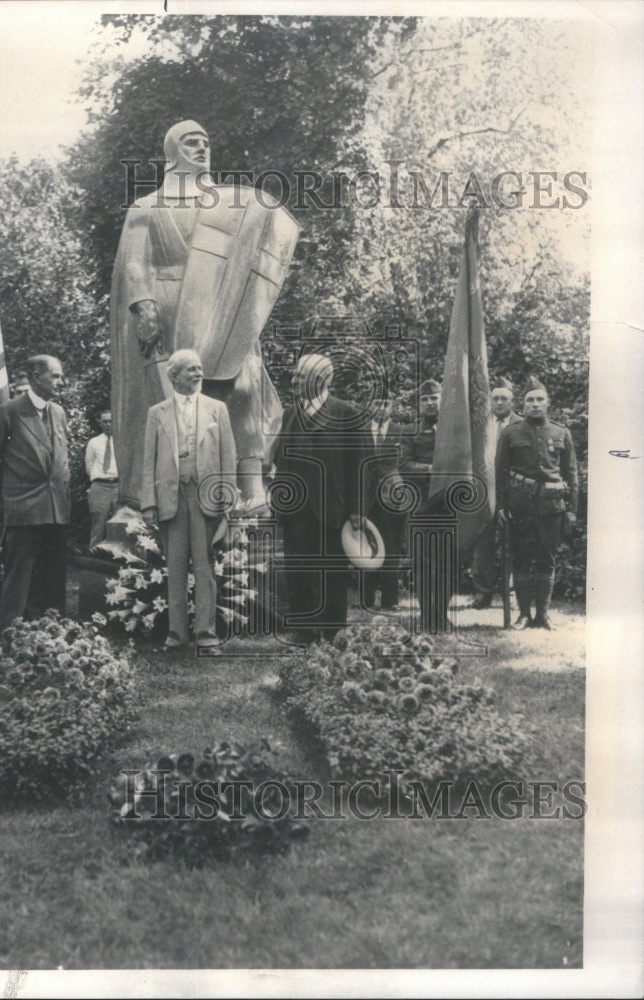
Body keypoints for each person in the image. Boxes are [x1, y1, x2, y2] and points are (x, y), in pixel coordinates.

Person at [110, 119, 297, 511]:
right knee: (174, 402)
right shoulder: (146, 207)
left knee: (243, 390)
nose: (201, 149)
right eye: (191, 143)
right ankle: (169, 491)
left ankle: (251, 487)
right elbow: (132, 264)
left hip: (223, 305)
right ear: (172, 152)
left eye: (205, 143)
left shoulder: (233, 204)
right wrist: (144, 305)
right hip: (170, 306)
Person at [141, 349, 237, 650]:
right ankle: (176, 634)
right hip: (172, 498)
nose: (198, 374)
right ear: (174, 376)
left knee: (205, 568)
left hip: (205, 498)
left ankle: (206, 635)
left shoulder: (216, 408)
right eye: (191, 370)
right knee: (176, 567)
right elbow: (149, 461)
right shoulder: (157, 412)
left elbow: (228, 458)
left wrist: (227, 504)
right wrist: (149, 504)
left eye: (199, 369)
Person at [271, 354, 368, 643]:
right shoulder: (290, 413)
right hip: (296, 512)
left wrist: (357, 509)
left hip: (332, 510)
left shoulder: (346, 413)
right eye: (296, 375)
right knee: (298, 571)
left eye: (300, 376)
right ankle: (304, 631)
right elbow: (281, 460)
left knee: (332, 574)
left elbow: (361, 465)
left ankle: (333, 631)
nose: (294, 381)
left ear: (322, 379)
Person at [0, 355, 71, 634]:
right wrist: (10, 491)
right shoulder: (9, 411)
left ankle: (54, 632)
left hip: (56, 508)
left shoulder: (58, 412)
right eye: (54, 376)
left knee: (54, 574)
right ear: (34, 376)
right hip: (23, 507)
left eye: (60, 375)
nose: (60, 381)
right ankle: (12, 633)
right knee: (19, 575)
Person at [496, 375, 578, 630]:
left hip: (552, 508)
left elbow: (572, 473)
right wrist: (500, 506)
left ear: (547, 403)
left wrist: (572, 510)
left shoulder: (561, 432)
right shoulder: (511, 433)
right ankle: (523, 615)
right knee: (521, 559)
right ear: (523, 404)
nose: (535, 404)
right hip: (520, 508)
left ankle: (542, 614)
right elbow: (500, 472)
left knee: (547, 560)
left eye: (539, 399)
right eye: (530, 400)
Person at [469, 376, 523, 609]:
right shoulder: (479, 425)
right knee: (483, 544)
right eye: (495, 398)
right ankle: (483, 594)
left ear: (513, 402)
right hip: (484, 491)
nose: (499, 402)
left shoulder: (522, 425)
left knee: (516, 543)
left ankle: (511, 594)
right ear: (489, 401)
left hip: (514, 493)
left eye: (504, 398)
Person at [363, 396, 405, 612]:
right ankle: (366, 598)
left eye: (386, 403)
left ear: (393, 406)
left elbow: (404, 465)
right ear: (369, 405)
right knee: (365, 545)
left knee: (391, 547)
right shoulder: (360, 431)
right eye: (376, 402)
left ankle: (390, 600)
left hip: (391, 499)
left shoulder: (401, 432)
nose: (381, 407)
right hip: (365, 498)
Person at [398, 378, 441, 502]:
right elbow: (403, 466)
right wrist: (431, 469)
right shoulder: (409, 431)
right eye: (424, 399)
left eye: (434, 398)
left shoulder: (455, 428)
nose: (429, 403)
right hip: (422, 499)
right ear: (419, 404)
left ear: (443, 400)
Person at [84, 408, 120, 547]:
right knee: (98, 523)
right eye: (105, 421)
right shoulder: (94, 442)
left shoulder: (122, 442)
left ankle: (118, 560)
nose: (108, 424)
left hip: (119, 486)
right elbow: (89, 466)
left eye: (111, 421)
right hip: (100, 487)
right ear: (100, 423)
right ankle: (94, 557)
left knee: (120, 524)